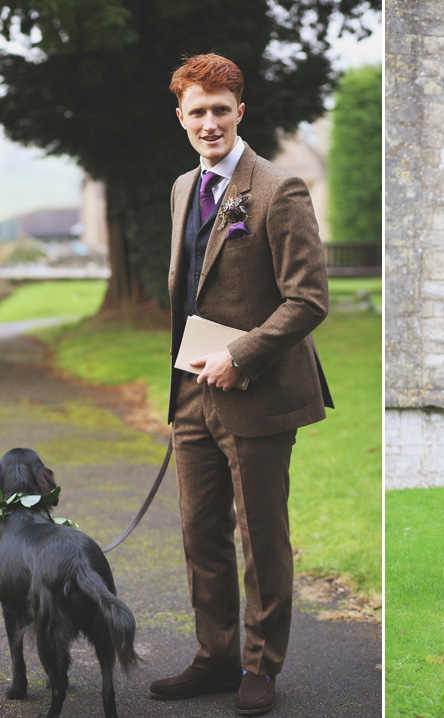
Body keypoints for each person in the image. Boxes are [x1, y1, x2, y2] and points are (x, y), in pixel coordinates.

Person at [150, 53, 333, 715]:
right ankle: (216, 655)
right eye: (196, 112)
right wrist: (184, 383)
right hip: (193, 391)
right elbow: (185, 294)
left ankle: (261, 665)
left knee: (260, 535)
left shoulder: (278, 189)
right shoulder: (181, 189)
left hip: (256, 388)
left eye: (219, 111)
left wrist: (242, 356)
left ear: (239, 113)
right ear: (181, 118)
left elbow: (308, 298)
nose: (208, 123)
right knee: (200, 531)